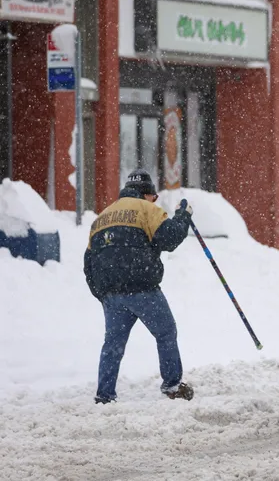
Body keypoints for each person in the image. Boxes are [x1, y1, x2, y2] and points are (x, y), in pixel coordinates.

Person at [84, 169, 194, 404]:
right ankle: (172, 386)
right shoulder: (146, 209)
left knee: (113, 344)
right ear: (148, 195)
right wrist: (183, 216)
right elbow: (170, 238)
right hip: (142, 288)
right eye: (154, 198)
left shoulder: (102, 217)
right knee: (165, 332)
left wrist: (103, 294)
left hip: (112, 295)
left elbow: (88, 263)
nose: (155, 202)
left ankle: (104, 395)